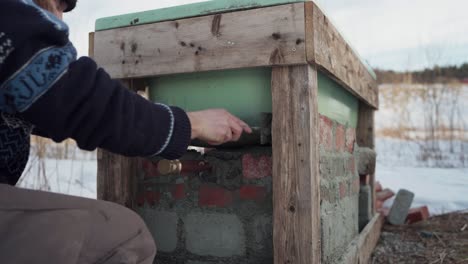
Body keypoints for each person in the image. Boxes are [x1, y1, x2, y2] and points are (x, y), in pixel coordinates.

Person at [0, 0, 252, 263]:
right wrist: (193, 125)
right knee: (124, 236)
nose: (61, 20)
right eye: (58, 5)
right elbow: (89, 106)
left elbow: (66, 107)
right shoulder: (8, 17)